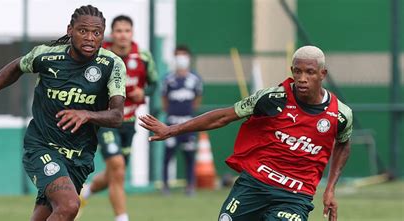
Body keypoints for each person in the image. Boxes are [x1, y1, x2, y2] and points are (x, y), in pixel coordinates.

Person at [140, 45, 353, 221]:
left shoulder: (340, 115)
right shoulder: (272, 98)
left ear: (322, 74)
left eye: (310, 72)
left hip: (295, 196)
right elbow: (224, 116)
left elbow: (343, 143)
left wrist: (330, 188)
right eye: (297, 71)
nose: (302, 78)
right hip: (255, 184)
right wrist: (171, 130)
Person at [0, 5, 126, 221]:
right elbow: (16, 67)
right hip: (42, 146)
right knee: (70, 205)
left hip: (79, 156)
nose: (90, 38)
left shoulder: (112, 64)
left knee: (48, 215)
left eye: (96, 33)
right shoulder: (47, 55)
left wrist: (87, 115)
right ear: (70, 30)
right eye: (83, 31)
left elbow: (117, 115)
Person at [79, 15, 157, 221]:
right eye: (119, 31)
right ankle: (122, 218)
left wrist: (145, 92)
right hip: (106, 121)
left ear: (132, 33)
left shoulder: (143, 56)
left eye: (127, 31)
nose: (123, 35)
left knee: (116, 172)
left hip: (129, 121)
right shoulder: (100, 54)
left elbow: (155, 84)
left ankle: (86, 191)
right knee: (118, 168)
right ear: (112, 34)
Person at [161, 45, 202, 196]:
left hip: (189, 123)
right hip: (172, 122)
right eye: (178, 55)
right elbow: (164, 99)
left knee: (189, 154)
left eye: (183, 55)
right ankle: (165, 185)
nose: (181, 59)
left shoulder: (195, 79)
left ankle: (190, 185)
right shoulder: (168, 79)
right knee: (168, 155)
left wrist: (191, 114)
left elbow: (198, 98)